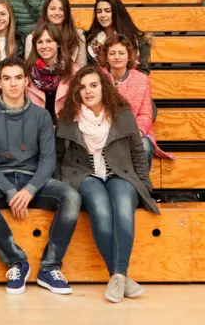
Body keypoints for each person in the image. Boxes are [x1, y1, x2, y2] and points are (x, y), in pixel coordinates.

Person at [0, 57, 81, 296]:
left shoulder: (41, 116)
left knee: (71, 197)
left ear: (26, 81)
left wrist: (30, 189)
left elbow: (48, 160)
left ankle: (50, 267)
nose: (13, 84)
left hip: (35, 180)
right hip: (0, 181)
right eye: (7, 78)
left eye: (18, 78)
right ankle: (16, 261)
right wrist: (10, 191)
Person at [56, 65, 159, 303]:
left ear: (104, 87)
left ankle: (118, 275)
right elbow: (59, 155)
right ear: (76, 92)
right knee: (100, 210)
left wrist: (143, 184)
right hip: (84, 174)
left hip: (120, 172)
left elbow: (136, 151)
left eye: (93, 85)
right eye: (82, 87)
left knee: (123, 207)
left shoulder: (122, 114)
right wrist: (63, 183)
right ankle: (120, 276)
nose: (88, 91)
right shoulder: (68, 117)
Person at [100, 34, 173, 164]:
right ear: (106, 56)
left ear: (128, 56)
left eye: (121, 53)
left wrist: (137, 132)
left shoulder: (141, 79)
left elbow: (146, 113)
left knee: (143, 145)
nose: (117, 57)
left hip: (135, 131)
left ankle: (140, 183)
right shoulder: (98, 77)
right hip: (104, 130)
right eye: (112, 53)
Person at [86, 0, 152, 74]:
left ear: (117, 12)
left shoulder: (138, 40)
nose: (102, 15)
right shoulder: (89, 41)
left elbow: (143, 72)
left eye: (108, 11)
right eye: (99, 11)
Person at [24, 22, 77, 123]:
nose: (44, 46)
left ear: (58, 44)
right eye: (40, 42)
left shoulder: (73, 71)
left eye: (49, 41)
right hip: (35, 127)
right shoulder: (26, 72)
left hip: (65, 128)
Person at [24, 0, 88, 67]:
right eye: (53, 9)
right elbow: (30, 69)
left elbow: (82, 69)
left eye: (61, 9)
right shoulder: (32, 38)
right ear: (46, 11)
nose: (57, 13)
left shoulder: (78, 36)